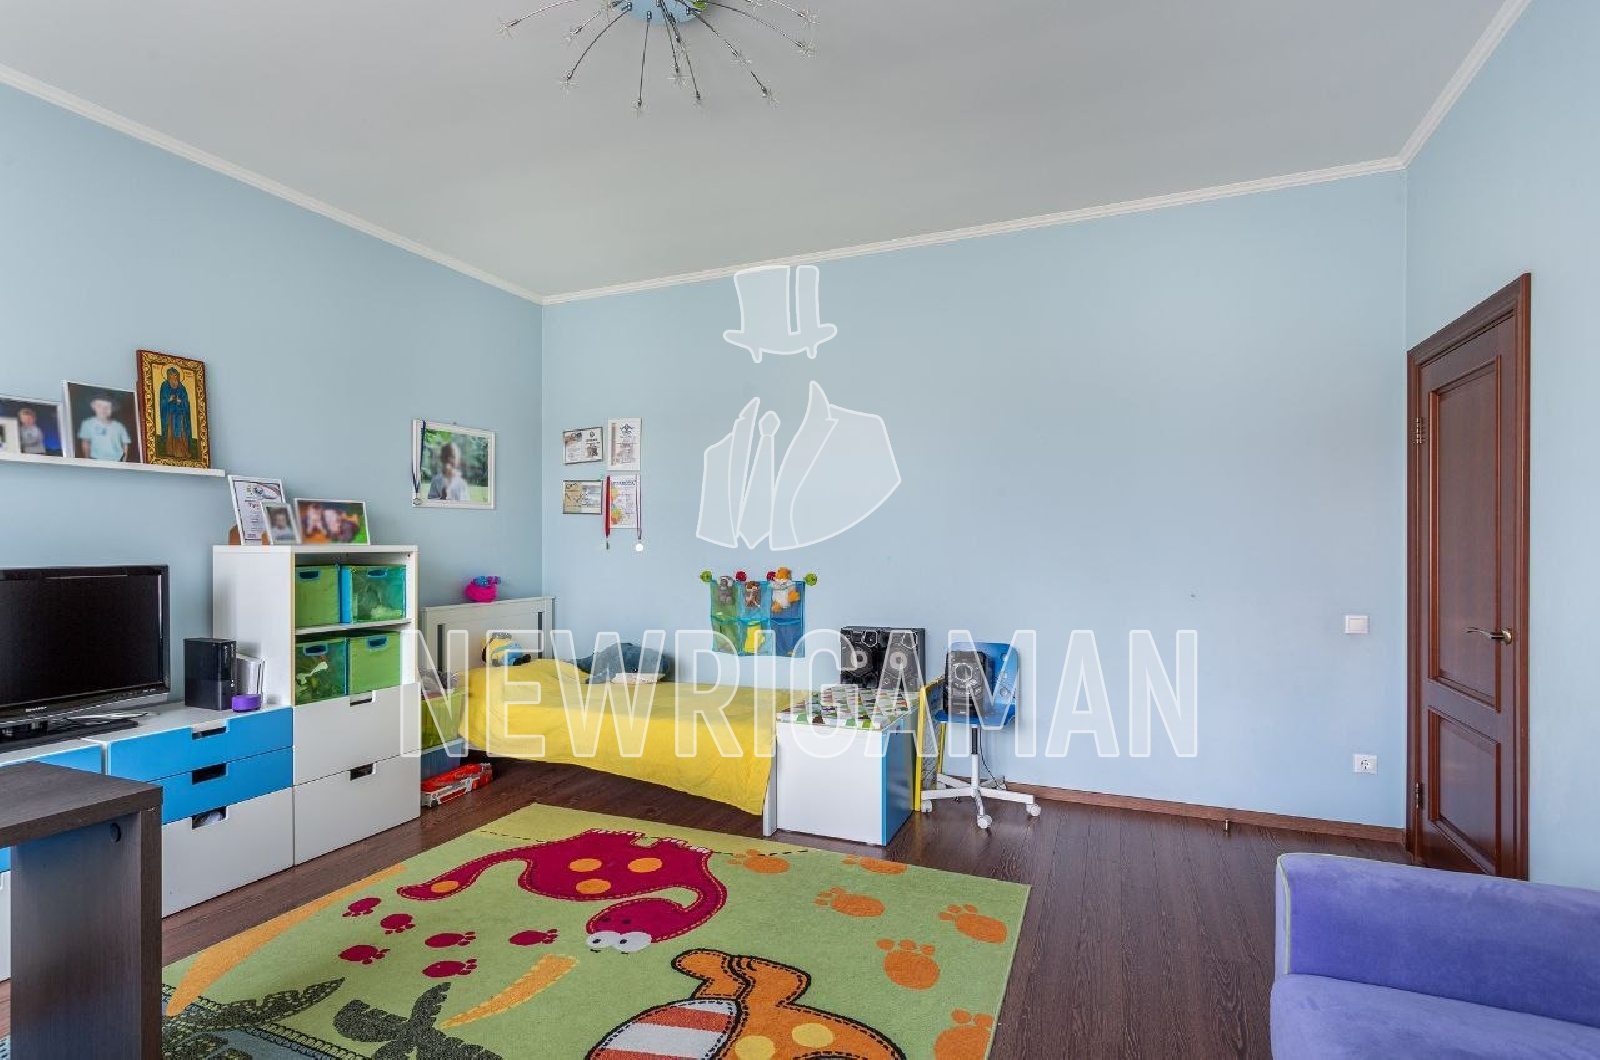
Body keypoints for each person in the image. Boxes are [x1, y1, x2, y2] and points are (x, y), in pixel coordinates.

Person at [78, 395, 131, 461]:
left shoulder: (119, 426)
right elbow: (86, 443)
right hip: (96, 460)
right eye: (99, 406)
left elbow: (125, 445)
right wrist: (88, 460)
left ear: (112, 409)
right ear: (93, 406)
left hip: (116, 460)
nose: (103, 410)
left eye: (107, 407)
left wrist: (124, 461)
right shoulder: (87, 424)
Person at [158, 367, 193, 460]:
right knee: (170, 431)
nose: (174, 377)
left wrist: (180, 401)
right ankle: (171, 451)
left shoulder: (182, 388)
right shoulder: (165, 386)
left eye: (175, 375)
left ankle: (182, 452)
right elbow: (162, 400)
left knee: (181, 431)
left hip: (180, 413)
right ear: (168, 376)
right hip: (170, 413)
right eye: (172, 375)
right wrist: (168, 399)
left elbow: (186, 402)